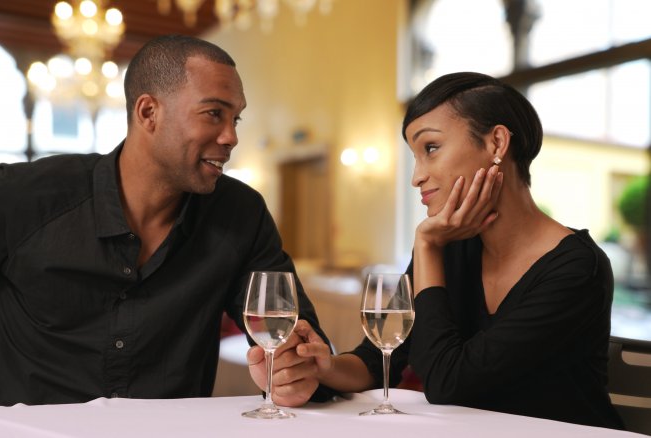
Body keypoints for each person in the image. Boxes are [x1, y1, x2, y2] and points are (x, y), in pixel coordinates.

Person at [0, 35, 331, 428]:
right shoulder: (25, 196)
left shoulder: (241, 213)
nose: (232, 136)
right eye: (214, 114)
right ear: (148, 112)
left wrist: (296, 373)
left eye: (237, 119)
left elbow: (300, 336)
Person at [251, 72, 625, 429]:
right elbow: (378, 359)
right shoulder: (452, 249)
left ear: (496, 143)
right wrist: (322, 367)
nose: (417, 176)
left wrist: (427, 244)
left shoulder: (578, 268)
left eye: (431, 148)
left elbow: (448, 382)